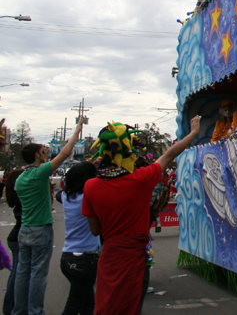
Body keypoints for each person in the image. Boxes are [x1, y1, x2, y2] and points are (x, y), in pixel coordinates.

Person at [83, 115, 201, 315]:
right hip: (133, 258)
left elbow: (95, 230)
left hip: (109, 254)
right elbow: (169, 155)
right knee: (129, 304)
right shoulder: (141, 180)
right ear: (128, 150)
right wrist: (193, 133)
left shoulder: (90, 186)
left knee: (106, 304)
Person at [12, 119, 82, 315]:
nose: (46, 153)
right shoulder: (39, 173)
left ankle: (19, 310)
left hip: (24, 230)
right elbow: (65, 153)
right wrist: (77, 130)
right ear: (36, 155)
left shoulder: (20, 178)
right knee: (38, 275)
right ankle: (35, 311)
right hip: (40, 229)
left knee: (22, 273)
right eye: (43, 151)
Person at [57, 162, 100, 315]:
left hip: (67, 257)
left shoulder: (65, 196)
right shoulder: (88, 198)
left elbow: (59, 193)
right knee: (74, 306)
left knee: (87, 302)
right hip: (85, 259)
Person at [3, 168, 24, 315]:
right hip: (18, 237)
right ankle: (9, 307)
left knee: (16, 273)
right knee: (18, 274)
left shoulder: (15, 196)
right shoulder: (22, 197)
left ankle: (10, 306)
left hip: (14, 236)